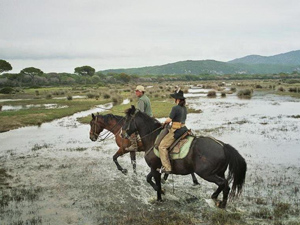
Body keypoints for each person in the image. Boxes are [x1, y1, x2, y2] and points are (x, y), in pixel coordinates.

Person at [158, 90, 187, 174]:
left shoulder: (175, 108)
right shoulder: (184, 108)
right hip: (184, 129)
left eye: (175, 98)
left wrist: (165, 122)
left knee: (162, 147)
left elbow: (169, 119)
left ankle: (167, 168)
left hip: (176, 130)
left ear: (177, 99)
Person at [125, 85, 153, 151]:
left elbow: (141, 113)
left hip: (145, 120)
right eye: (136, 91)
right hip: (149, 118)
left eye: (137, 91)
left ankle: (134, 146)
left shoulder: (141, 100)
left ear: (141, 92)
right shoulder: (146, 98)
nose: (136, 92)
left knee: (131, 130)